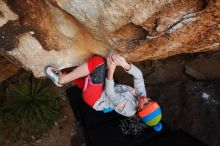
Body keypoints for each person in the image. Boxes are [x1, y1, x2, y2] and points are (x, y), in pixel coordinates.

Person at [45, 51, 162, 131]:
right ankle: (64, 75)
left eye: (146, 103)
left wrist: (111, 70)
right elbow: (139, 77)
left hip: (95, 97)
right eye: (150, 100)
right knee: (76, 71)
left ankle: (60, 81)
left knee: (98, 63)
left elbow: (111, 93)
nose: (146, 98)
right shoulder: (142, 97)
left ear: (141, 111)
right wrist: (124, 64)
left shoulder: (128, 109)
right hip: (101, 89)